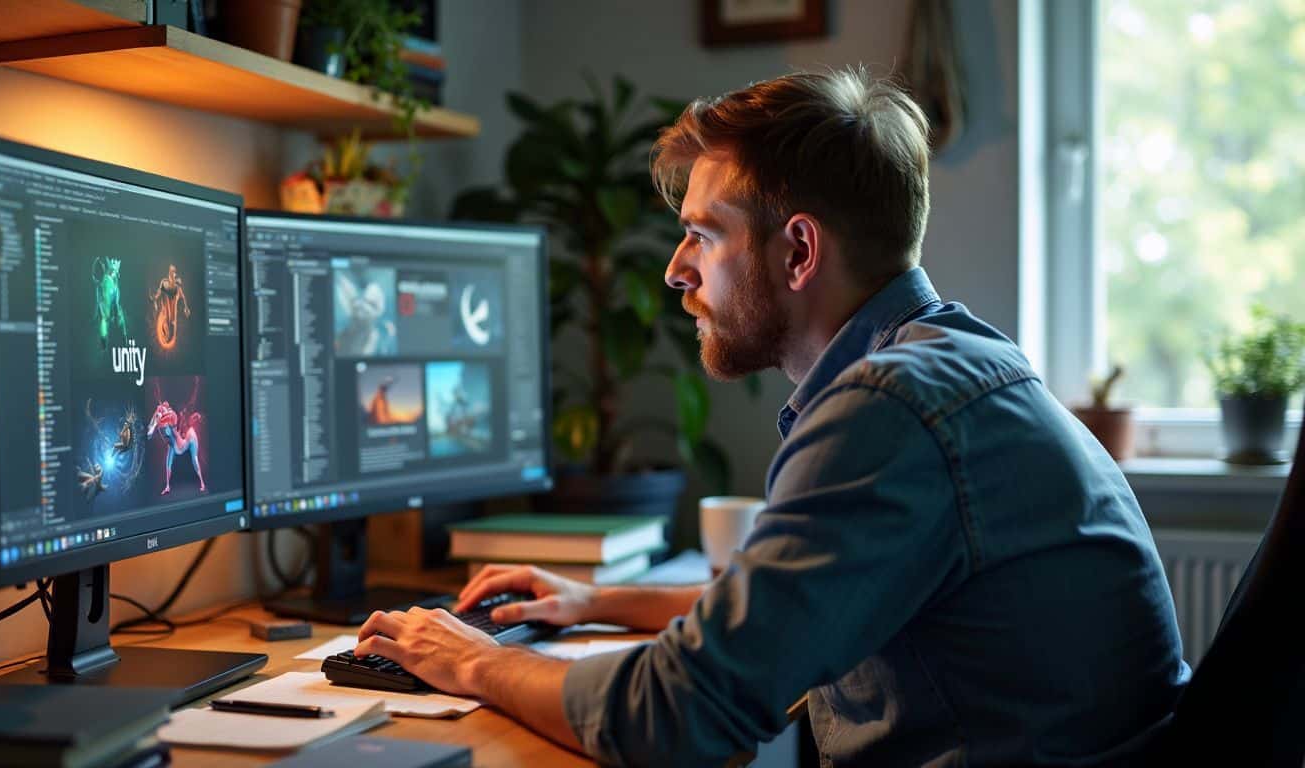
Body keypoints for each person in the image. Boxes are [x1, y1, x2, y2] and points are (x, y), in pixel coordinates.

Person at [352, 68, 1190, 767]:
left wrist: (474, 662)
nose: (678, 271)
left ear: (798, 251)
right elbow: (790, 603)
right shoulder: (954, 360)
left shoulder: (887, 409)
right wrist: (593, 600)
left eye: (704, 236)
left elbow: (675, 714)